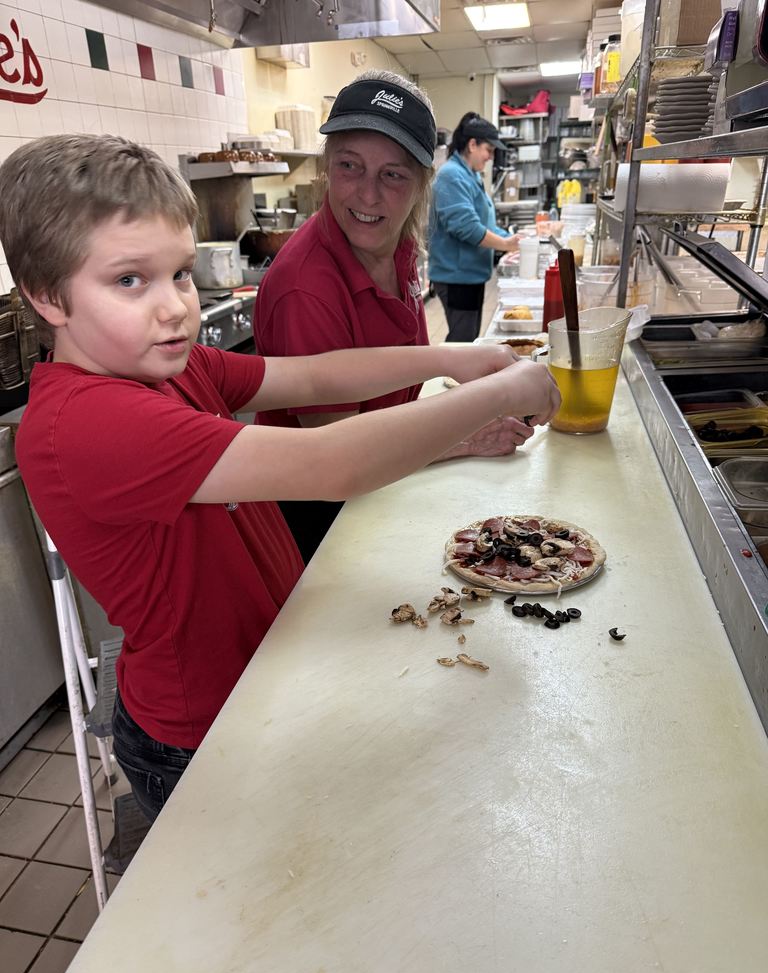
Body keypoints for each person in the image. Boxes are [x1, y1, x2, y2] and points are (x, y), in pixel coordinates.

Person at [0, 134, 560, 822]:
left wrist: (455, 357)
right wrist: (502, 392)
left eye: (179, 273)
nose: (176, 306)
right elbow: (331, 464)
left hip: (263, 672)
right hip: (198, 730)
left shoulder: (174, 368)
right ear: (47, 296)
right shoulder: (85, 423)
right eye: (129, 280)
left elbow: (315, 372)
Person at [255, 71, 535, 564]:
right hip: (322, 529)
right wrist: (463, 435)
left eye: (393, 174)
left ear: (422, 183)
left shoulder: (397, 242)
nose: (368, 195)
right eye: (350, 166)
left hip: (385, 493)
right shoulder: (306, 288)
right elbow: (340, 457)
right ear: (326, 166)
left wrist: (451, 372)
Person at [429, 112, 520, 343]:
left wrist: (512, 239)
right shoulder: (452, 175)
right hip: (457, 276)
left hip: (470, 274)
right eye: (488, 150)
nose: (490, 157)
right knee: (462, 340)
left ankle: (459, 378)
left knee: (469, 338)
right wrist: (505, 245)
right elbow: (467, 228)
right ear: (472, 144)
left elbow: (482, 224)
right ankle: (447, 378)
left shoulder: (470, 176)